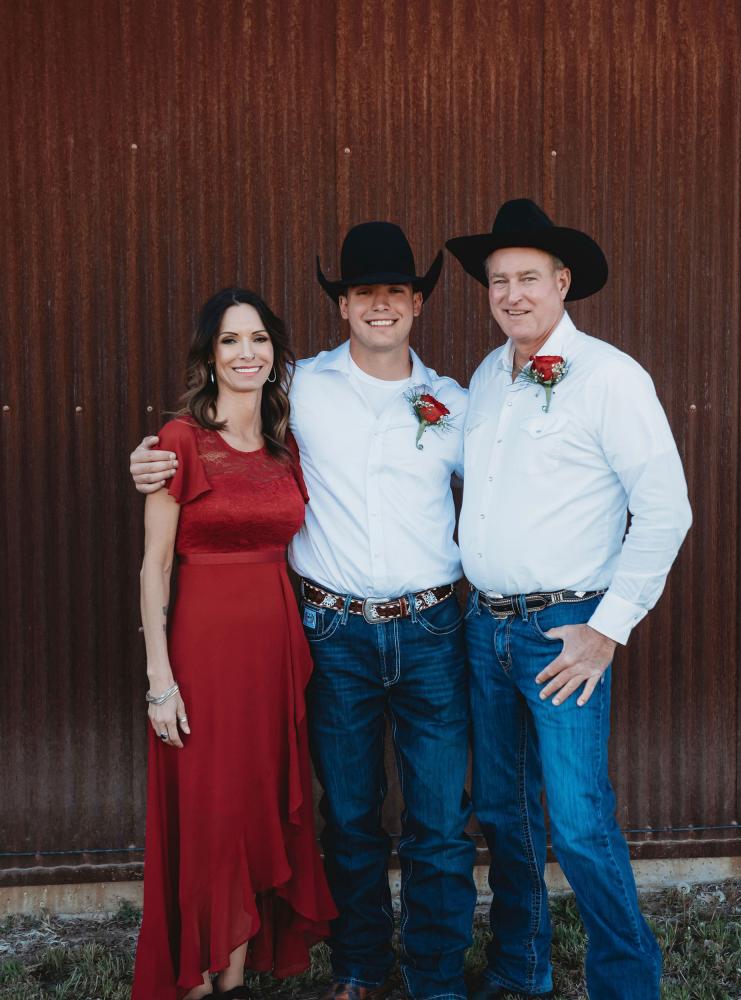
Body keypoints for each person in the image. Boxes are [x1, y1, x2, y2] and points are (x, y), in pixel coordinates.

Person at [130, 224, 477, 1000]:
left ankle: (436, 979)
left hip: (430, 630)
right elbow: (215, 419)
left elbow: (507, 486)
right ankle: (358, 969)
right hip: (332, 631)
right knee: (348, 817)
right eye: (364, 293)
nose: (380, 306)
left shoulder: (454, 404)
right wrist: (150, 459)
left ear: (418, 303)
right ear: (342, 305)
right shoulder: (302, 386)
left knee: (438, 823)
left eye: (395, 292)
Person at [446, 199, 692, 1000]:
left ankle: (628, 985)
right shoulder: (488, 377)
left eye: (528, 278)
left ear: (562, 283)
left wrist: (605, 631)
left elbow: (666, 511)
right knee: (503, 813)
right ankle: (522, 968)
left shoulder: (610, 378)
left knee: (580, 821)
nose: (512, 294)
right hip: (485, 627)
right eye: (498, 281)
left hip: (564, 631)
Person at [132, 288, 336, 1000]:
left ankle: (237, 974)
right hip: (204, 649)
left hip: (275, 648)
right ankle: (193, 976)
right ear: (209, 356)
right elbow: (154, 566)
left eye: (258, 339)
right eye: (229, 340)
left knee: (254, 801)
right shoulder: (179, 441)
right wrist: (160, 680)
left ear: (275, 353)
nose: (246, 353)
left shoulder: (285, 444)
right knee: (210, 808)